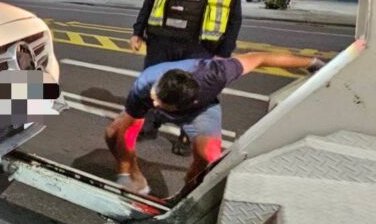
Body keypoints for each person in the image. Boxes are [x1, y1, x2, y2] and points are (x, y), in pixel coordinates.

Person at [105, 52, 325, 200]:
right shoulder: (147, 85)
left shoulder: (216, 74)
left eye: (158, 102)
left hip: (202, 111)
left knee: (208, 156)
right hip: (164, 100)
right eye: (155, 97)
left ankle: (186, 197)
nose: (154, 103)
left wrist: (313, 64)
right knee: (112, 133)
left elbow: (259, 59)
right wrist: (125, 170)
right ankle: (137, 178)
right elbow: (127, 132)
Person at [130, 0, 242, 155]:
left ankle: (186, 134)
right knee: (153, 84)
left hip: (198, 47)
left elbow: (234, 19)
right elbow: (151, 1)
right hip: (161, 42)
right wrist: (138, 31)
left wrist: (224, 53)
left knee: (194, 92)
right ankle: (150, 123)